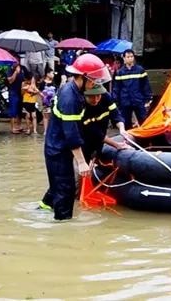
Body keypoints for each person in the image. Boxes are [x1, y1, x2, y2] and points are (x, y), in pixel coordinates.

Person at [39, 53, 112, 221]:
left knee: (64, 187)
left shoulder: (75, 91)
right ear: (83, 77)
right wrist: (81, 162)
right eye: (93, 80)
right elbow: (71, 133)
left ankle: (46, 209)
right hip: (58, 149)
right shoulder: (70, 98)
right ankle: (63, 230)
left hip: (60, 147)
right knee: (65, 190)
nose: (95, 84)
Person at [81, 83, 128, 161]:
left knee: (98, 154)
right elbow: (95, 132)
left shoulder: (106, 97)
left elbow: (115, 114)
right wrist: (116, 145)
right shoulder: (81, 106)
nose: (96, 99)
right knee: (86, 158)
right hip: (85, 138)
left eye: (98, 96)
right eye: (91, 97)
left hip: (102, 130)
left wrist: (122, 129)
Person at [112, 49, 152, 129]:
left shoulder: (140, 70)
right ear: (124, 58)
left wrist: (148, 98)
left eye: (131, 56)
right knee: (126, 122)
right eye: (128, 57)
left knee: (144, 121)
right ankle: (128, 139)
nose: (130, 58)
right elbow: (116, 88)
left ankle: (144, 140)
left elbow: (145, 85)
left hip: (138, 100)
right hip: (125, 101)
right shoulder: (120, 72)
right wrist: (115, 101)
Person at [6, 63, 25, 134]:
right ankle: (12, 128)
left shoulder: (22, 68)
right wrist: (16, 72)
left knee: (19, 110)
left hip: (21, 92)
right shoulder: (10, 70)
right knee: (13, 110)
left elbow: (26, 78)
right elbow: (10, 81)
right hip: (13, 92)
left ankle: (19, 126)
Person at [39, 67, 56, 135]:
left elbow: (56, 91)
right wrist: (44, 96)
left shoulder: (53, 82)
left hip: (53, 102)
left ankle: (51, 130)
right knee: (45, 116)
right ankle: (45, 130)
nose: (53, 74)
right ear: (47, 74)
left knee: (52, 116)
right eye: (52, 73)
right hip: (45, 102)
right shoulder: (43, 83)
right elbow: (39, 91)